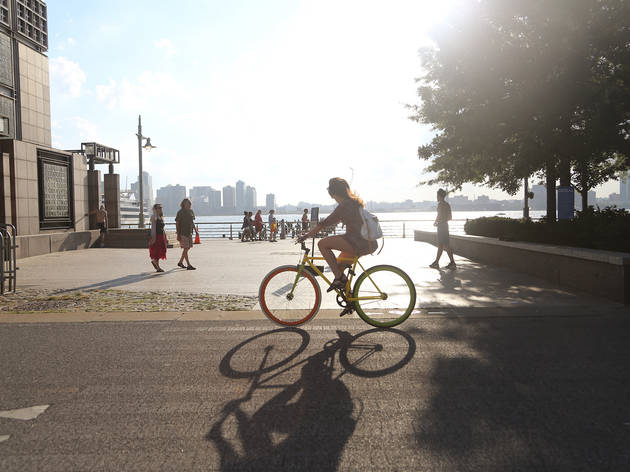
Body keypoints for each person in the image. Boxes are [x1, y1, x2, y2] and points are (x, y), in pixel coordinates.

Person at [298, 177, 377, 291]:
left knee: (322, 244)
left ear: (332, 193)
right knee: (338, 267)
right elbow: (331, 222)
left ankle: (340, 278)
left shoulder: (345, 205)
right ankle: (349, 300)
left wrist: (306, 236)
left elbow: (324, 223)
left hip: (358, 242)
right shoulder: (352, 203)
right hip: (364, 242)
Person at [429, 188, 456, 270]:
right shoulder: (447, 204)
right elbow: (449, 217)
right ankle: (436, 262)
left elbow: (439, 215)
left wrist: (437, 222)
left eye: (437, 196)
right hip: (444, 226)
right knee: (441, 245)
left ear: (440, 196)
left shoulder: (441, 204)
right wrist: (440, 222)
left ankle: (452, 263)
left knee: (446, 245)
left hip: (442, 227)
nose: (436, 197)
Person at [175, 198, 198, 270]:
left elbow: (192, 222)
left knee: (187, 248)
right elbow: (177, 223)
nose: (189, 205)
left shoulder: (191, 211)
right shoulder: (180, 212)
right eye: (188, 203)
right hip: (183, 233)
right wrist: (178, 234)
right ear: (184, 204)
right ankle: (188, 265)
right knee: (185, 248)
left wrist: (196, 231)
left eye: (190, 203)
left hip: (189, 232)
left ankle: (180, 262)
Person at [149, 203, 167, 272]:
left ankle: (157, 266)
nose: (160, 209)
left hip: (161, 236)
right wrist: (153, 237)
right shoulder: (154, 216)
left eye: (161, 207)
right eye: (158, 208)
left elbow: (163, 228)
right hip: (156, 236)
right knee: (157, 251)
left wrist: (165, 236)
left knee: (161, 251)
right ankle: (156, 264)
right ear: (155, 209)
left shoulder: (161, 216)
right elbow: (153, 227)